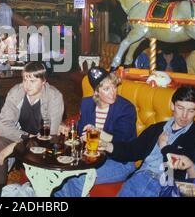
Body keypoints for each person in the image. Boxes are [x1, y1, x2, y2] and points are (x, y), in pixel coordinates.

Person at [99, 86, 195, 197]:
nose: (184, 115)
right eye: (180, 107)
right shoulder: (157, 128)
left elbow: (176, 174)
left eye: (191, 110)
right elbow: (133, 149)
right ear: (172, 106)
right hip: (140, 177)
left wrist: (164, 147)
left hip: (163, 185)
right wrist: (107, 146)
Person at [54, 66, 137, 197]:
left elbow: (122, 141)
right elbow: (81, 130)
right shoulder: (87, 104)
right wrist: (67, 127)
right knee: (61, 173)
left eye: (114, 87)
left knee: (79, 178)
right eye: (106, 89)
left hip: (120, 161)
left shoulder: (126, 108)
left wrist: (98, 133)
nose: (113, 93)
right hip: (91, 156)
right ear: (96, 92)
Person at [0, 62, 64, 195]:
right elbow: (3, 127)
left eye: (33, 81)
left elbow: (51, 135)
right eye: (25, 80)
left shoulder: (55, 96)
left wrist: (15, 145)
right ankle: (0, 188)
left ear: (44, 81)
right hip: (20, 136)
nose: (27, 85)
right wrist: (25, 138)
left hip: (44, 142)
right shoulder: (16, 92)